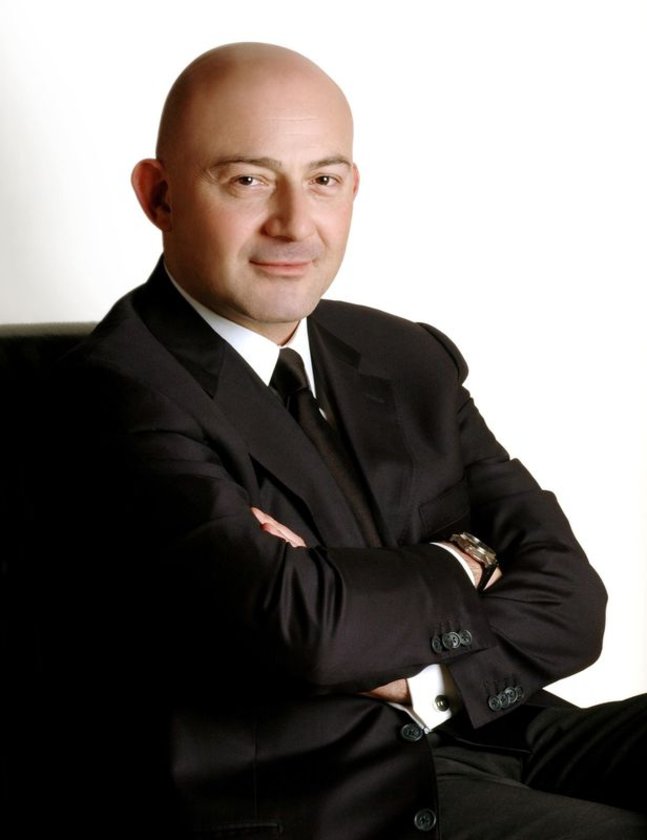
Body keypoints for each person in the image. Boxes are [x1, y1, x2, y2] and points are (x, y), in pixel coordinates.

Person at [41, 42, 647, 838]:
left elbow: (572, 598)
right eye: (248, 179)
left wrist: (419, 676)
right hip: (320, 791)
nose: (294, 222)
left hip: (498, 722)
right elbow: (311, 630)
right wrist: (463, 559)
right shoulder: (116, 389)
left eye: (323, 180)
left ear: (352, 188)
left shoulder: (405, 354)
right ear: (159, 195)